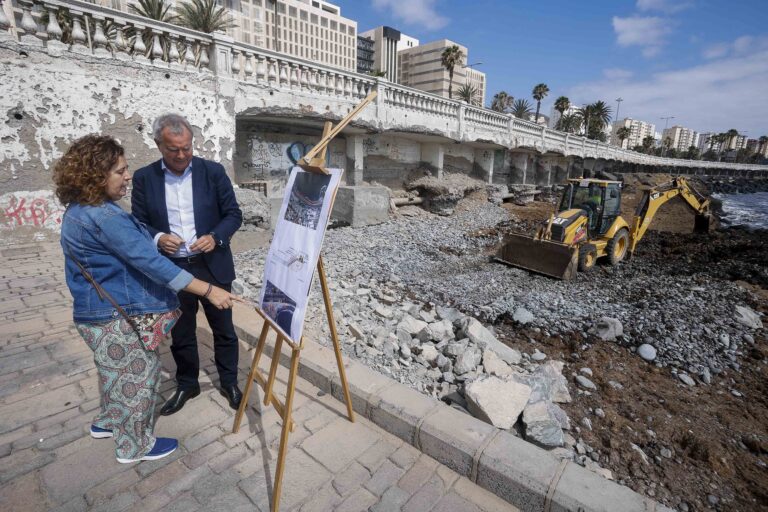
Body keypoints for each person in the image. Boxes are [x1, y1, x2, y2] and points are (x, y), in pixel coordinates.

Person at [54, 135, 239, 464]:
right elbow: (152, 263)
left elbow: (231, 214)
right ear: (96, 175)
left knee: (114, 373)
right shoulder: (104, 217)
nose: (127, 176)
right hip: (115, 315)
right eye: (120, 171)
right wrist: (210, 290)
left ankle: (109, 423)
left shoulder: (81, 210)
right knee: (137, 378)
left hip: (96, 311)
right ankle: (133, 446)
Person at [131, 113, 244, 416]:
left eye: (187, 148)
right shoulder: (145, 178)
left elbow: (233, 214)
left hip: (212, 265)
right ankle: (187, 384)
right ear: (158, 145)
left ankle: (230, 382)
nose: (181, 155)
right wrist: (157, 238)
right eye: (173, 149)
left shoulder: (213, 172)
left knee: (224, 329)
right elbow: (139, 222)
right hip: (172, 269)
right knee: (181, 332)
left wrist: (215, 237)